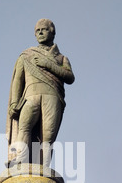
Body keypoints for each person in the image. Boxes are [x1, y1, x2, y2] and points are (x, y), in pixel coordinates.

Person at [6, 19, 75, 167]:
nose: (41, 33)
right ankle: (20, 159)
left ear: (52, 32)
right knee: (24, 126)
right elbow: (18, 79)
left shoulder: (61, 58)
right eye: (38, 31)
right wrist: (14, 102)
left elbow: (70, 77)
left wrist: (48, 65)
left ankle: (43, 167)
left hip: (52, 97)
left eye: (44, 29)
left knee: (48, 136)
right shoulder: (26, 55)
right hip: (30, 97)